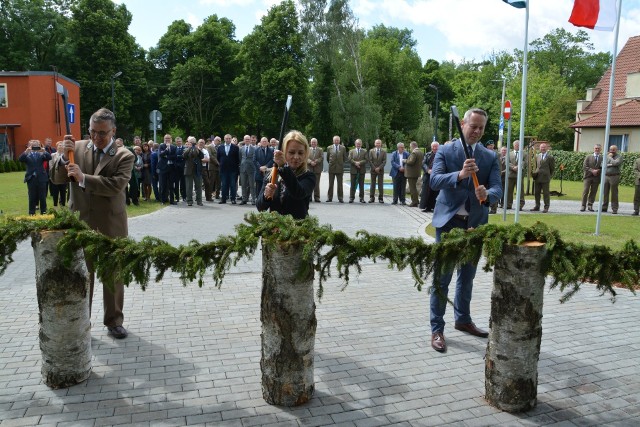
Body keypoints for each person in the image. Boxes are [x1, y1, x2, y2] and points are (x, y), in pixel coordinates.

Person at [50, 108, 134, 339]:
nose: (96, 137)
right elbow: (57, 179)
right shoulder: (75, 148)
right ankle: (81, 323)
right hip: (81, 224)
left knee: (113, 275)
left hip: (110, 225)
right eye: (92, 132)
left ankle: (114, 321)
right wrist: (61, 158)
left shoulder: (124, 155)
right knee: (82, 276)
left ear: (113, 131)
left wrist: (84, 178)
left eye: (102, 133)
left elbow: (116, 185)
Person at [429, 108, 502, 353]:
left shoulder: (489, 157)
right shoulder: (446, 151)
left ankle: (463, 319)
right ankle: (437, 328)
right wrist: (459, 175)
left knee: (467, 276)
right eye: (473, 126)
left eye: (481, 128)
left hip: (475, 223)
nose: (477, 132)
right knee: (442, 278)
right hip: (448, 223)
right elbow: (434, 181)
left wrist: (487, 194)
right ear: (463, 123)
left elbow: (497, 189)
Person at [257, 130, 315, 219]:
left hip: (298, 229)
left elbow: (298, 193)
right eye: (291, 152)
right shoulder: (272, 175)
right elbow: (260, 207)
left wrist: (284, 167)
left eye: (300, 153)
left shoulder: (308, 176)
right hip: (275, 229)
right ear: (283, 152)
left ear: (305, 154)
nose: (296, 157)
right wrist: (266, 196)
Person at [19, 139, 51, 215]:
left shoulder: (42, 154)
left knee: (42, 195)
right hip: (31, 178)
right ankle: (31, 212)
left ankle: (43, 211)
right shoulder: (27, 154)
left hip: (41, 177)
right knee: (32, 195)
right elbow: (20, 159)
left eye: (37, 144)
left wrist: (44, 151)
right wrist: (26, 151)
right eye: (33, 145)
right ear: (29, 145)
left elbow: (49, 158)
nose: (35, 146)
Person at [531, 143, 555, 213]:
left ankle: (546, 207)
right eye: (541, 147)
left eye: (544, 147)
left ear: (547, 148)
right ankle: (537, 206)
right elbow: (537, 166)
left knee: (546, 193)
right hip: (538, 177)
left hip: (545, 178)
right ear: (539, 148)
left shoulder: (550, 157)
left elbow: (552, 168)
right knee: (536, 193)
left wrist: (548, 175)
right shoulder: (537, 156)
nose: (543, 149)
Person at [217, 133, 240, 204]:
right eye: (226, 138)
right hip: (223, 169)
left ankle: (233, 199)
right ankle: (223, 199)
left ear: (231, 139)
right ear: (224, 139)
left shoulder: (235, 147)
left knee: (233, 185)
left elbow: (237, 158)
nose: (228, 140)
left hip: (233, 170)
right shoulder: (220, 147)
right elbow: (218, 157)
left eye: (229, 138)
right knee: (224, 185)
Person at [183, 136, 205, 206]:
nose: (192, 144)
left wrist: (197, 149)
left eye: (193, 142)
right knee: (189, 187)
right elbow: (184, 156)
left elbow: (202, 156)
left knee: (199, 186)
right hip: (189, 170)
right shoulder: (185, 149)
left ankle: (199, 201)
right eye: (190, 142)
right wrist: (189, 148)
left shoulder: (198, 149)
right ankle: (189, 201)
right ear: (188, 142)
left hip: (197, 170)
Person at [581, 144, 603, 212]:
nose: (597, 150)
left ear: (600, 149)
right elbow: (585, 166)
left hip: (596, 177)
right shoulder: (588, 157)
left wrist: (598, 171)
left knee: (593, 192)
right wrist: (592, 170)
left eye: (598, 148)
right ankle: (583, 205)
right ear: (593, 149)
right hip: (588, 177)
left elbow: (603, 167)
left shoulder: (602, 158)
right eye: (596, 148)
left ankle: (590, 205)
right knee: (585, 191)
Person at [326, 135, 348, 202]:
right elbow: (328, 158)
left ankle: (340, 198)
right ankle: (329, 198)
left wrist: (340, 163)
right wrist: (332, 163)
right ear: (333, 141)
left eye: (337, 140)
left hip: (340, 168)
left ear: (339, 141)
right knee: (330, 184)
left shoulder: (343, 148)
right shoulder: (329, 148)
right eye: (335, 140)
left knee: (340, 184)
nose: (336, 141)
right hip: (332, 168)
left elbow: (345, 158)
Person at [602, 145, 622, 214]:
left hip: (614, 176)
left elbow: (616, 163)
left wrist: (610, 158)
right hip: (606, 176)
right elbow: (602, 164)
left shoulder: (619, 156)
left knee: (614, 193)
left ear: (616, 150)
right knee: (605, 192)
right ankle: (604, 208)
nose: (612, 151)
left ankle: (614, 209)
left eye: (613, 150)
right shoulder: (606, 155)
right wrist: (611, 164)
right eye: (611, 149)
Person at [420, 141, 439, 212]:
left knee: (435, 192)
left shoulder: (441, 154)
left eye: (436, 146)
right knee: (426, 192)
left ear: (438, 147)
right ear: (431, 147)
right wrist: (427, 170)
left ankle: (434, 207)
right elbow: (423, 163)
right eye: (433, 146)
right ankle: (426, 207)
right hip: (428, 176)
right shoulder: (427, 154)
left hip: (436, 176)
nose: (434, 148)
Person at [506, 140, 526, 210]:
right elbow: (507, 162)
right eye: (516, 145)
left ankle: (520, 205)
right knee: (509, 190)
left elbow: (525, 162)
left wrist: (518, 167)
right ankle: (508, 204)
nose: (517, 146)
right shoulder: (509, 153)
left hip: (519, 175)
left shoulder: (524, 154)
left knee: (520, 191)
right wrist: (513, 167)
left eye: (518, 145)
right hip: (510, 175)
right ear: (513, 146)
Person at [158, 134, 177, 205]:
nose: (167, 140)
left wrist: (167, 156)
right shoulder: (161, 146)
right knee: (163, 185)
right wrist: (166, 150)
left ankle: (172, 200)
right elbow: (161, 155)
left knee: (171, 185)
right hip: (163, 168)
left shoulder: (174, 147)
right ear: (164, 139)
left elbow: (175, 156)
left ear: (171, 139)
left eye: (168, 139)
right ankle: (163, 200)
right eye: (166, 139)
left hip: (171, 168)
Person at [405, 141, 424, 207]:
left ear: (412, 146)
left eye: (410, 147)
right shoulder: (421, 152)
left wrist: (404, 160)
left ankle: (414, 202)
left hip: (411, 173)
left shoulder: (414, 152)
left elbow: (411, 162)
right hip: (417, 172)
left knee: (412, 188)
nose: (410, 148)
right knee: (414, 187)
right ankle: (416, 200)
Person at [49, 141, 68, 207]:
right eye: (59, 145)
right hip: (55, 175)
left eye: (62, 145)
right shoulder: (53, 155)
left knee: (63, 192)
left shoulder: (66, 155)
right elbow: (50, 165)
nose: (61, 146)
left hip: (63, 176)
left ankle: (63, 205)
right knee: (55, 192)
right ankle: (55, 205)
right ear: (57, 147)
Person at [348, 139, 368, 203]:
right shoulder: (351, 151)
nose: (358, 145)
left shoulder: (364, 151)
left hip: (361, 170)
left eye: (359, 144)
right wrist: (355, 163)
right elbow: (349, 159)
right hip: (353, 170)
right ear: (355, 144)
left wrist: (359, 163)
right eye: (357, 143)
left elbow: (366, 160)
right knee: (353, 184)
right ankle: (351, 198)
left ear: (361, 144)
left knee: (361, 185)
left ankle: (361, 198)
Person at [239, 135, 257, 205]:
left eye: (248, 139)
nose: (247, 140)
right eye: (246, 139)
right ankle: (244, 199)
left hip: (251, 169)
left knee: (252, 185)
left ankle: (253, 199)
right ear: (244, 140)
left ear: (250, 140)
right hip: (243, 169)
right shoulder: (241, 149)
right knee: (243, 185)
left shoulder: (254, 149)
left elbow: (254, 159)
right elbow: (240, 158)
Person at [368, 139, 386, 203]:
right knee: (372, 184)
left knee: (380, 184)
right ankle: (371, 198)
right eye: (377, 143)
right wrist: (375, 168)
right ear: (374, 144)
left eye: (379, 143)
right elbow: (370, 161)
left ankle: (381, 198)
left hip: (380, 170)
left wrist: (379, 168)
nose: (378, 144)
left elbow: (384, 161)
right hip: (373, 170)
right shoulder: (371, 151)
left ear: (381, 144)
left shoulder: (384, 151)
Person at [307, 137, 324, 202]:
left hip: (317, 169)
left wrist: (316, 161)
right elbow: (305, 157)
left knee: (317, 184)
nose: (313, 143)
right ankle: (309, 197)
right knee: (309, 183)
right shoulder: (307, 149)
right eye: (312, 142)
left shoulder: (320, 149)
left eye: (315, 142)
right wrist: (310, 162)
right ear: (310, 143)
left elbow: (321, 157)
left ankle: (317, 197)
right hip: (309, 168)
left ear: (317, 143)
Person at [174, 137, 186, 202]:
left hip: (183, 168)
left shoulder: (185, 148)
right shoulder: (174, 149)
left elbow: (184, 156)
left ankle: (184, 196)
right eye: (178, 141)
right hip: (176, 169)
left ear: (182, 142)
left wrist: (178, 156)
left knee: (183, 183)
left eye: (180, 141)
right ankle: (177, 197)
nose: (179, 142)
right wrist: (180, 156)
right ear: (176, 142)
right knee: (176, 184)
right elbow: (173, 157)